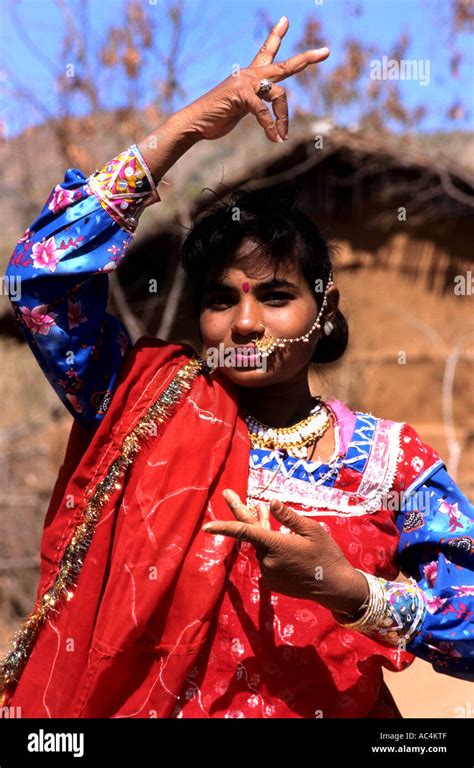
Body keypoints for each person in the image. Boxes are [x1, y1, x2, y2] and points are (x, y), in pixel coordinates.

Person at [1, 17, 472, 718]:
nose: (244, 324)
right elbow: (41, 280)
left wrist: (351, 592)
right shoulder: (144, 408)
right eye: (221, 300)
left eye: (276, 296)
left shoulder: (392, 466)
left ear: (325, 307)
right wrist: (190, 126)